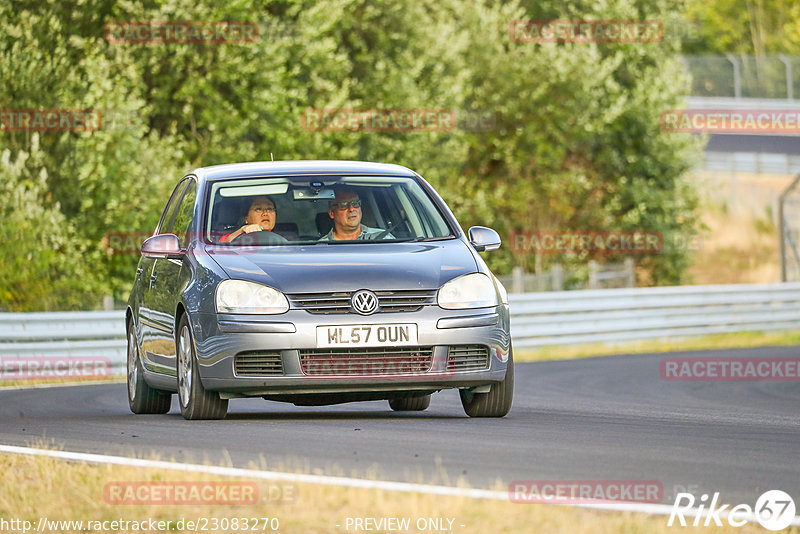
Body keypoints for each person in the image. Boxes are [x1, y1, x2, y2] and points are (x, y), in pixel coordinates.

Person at [318, 187, 393, 241]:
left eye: (355, 203)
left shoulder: (384, 238)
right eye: (343, 205)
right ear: (331, 213)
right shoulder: (321, 248)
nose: (351, 209)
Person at [220, 196, 284, 243]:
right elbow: (220, 251)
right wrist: (241, 231)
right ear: (246, 218)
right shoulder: (234, 237)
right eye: (258, 209)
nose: (265, 213)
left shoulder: (290, 236)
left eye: (270, 209)